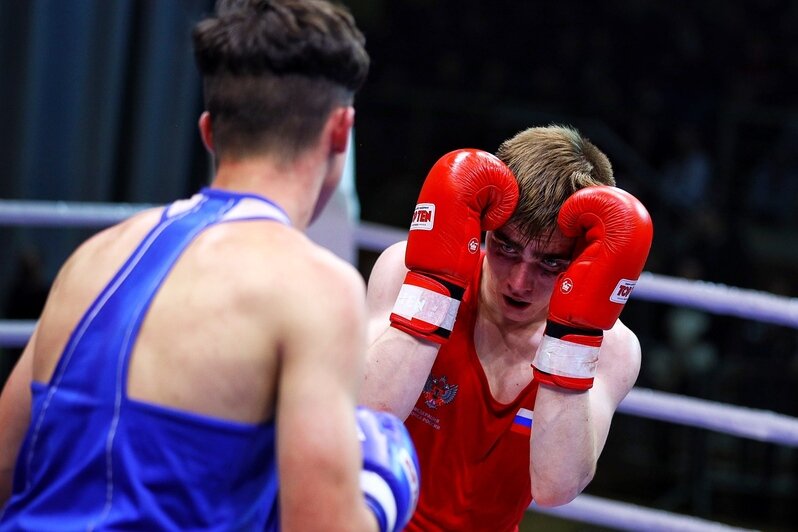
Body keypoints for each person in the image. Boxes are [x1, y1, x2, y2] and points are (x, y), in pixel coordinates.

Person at [0, 1, 419, 530]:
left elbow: (4, 464)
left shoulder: (94, 256)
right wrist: (382, 487)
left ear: (208, 132)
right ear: (341, 132)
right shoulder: (315, 286)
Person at [360, 125, 654, 531]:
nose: (519, 281)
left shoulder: (612, 349)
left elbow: (555, 488)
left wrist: (572, 339)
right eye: (505, 247)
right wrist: (436, 294)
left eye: (551, 263)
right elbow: (365, 417)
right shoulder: (406, 273)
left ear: (586, 258)